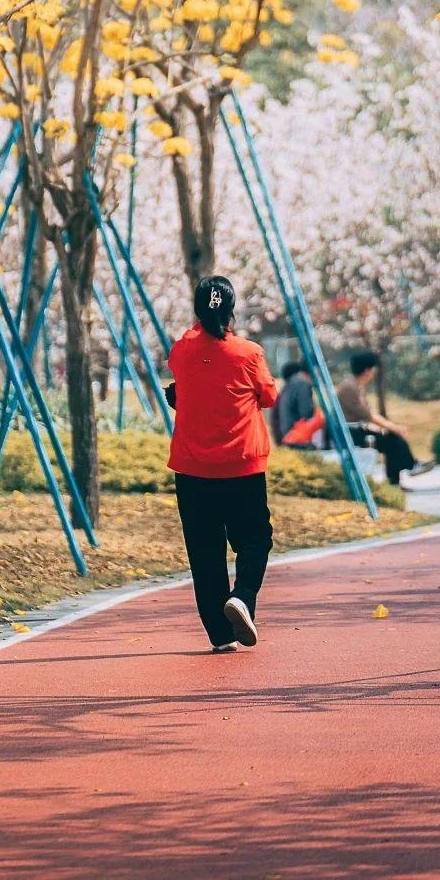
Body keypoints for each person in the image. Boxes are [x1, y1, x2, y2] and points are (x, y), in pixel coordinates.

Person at [168, 274, 278, 652]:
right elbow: (268, 396)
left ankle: (220, 634)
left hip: (192, 468)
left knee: (204, 550)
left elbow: (186, 386)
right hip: (241, 466)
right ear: (231, 309)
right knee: (255, 539)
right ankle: (243, 596)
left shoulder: (180, 349)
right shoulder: (249, 353)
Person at [337, 350, 432, 487]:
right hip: (351, 433)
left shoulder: (355, 386)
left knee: (390, 438)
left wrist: (388, 427)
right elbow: (367, 415)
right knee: (391, 440)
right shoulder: (349, 387)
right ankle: (409, 467)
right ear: (367, 370)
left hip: (357, 429)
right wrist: (393, 427)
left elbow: (366, 415)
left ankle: (398, 478)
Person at [272, 360, 314, 444]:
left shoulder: (289, 384)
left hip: (287, 435)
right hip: (297, 436)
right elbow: (306, 412)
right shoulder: (302, 383)